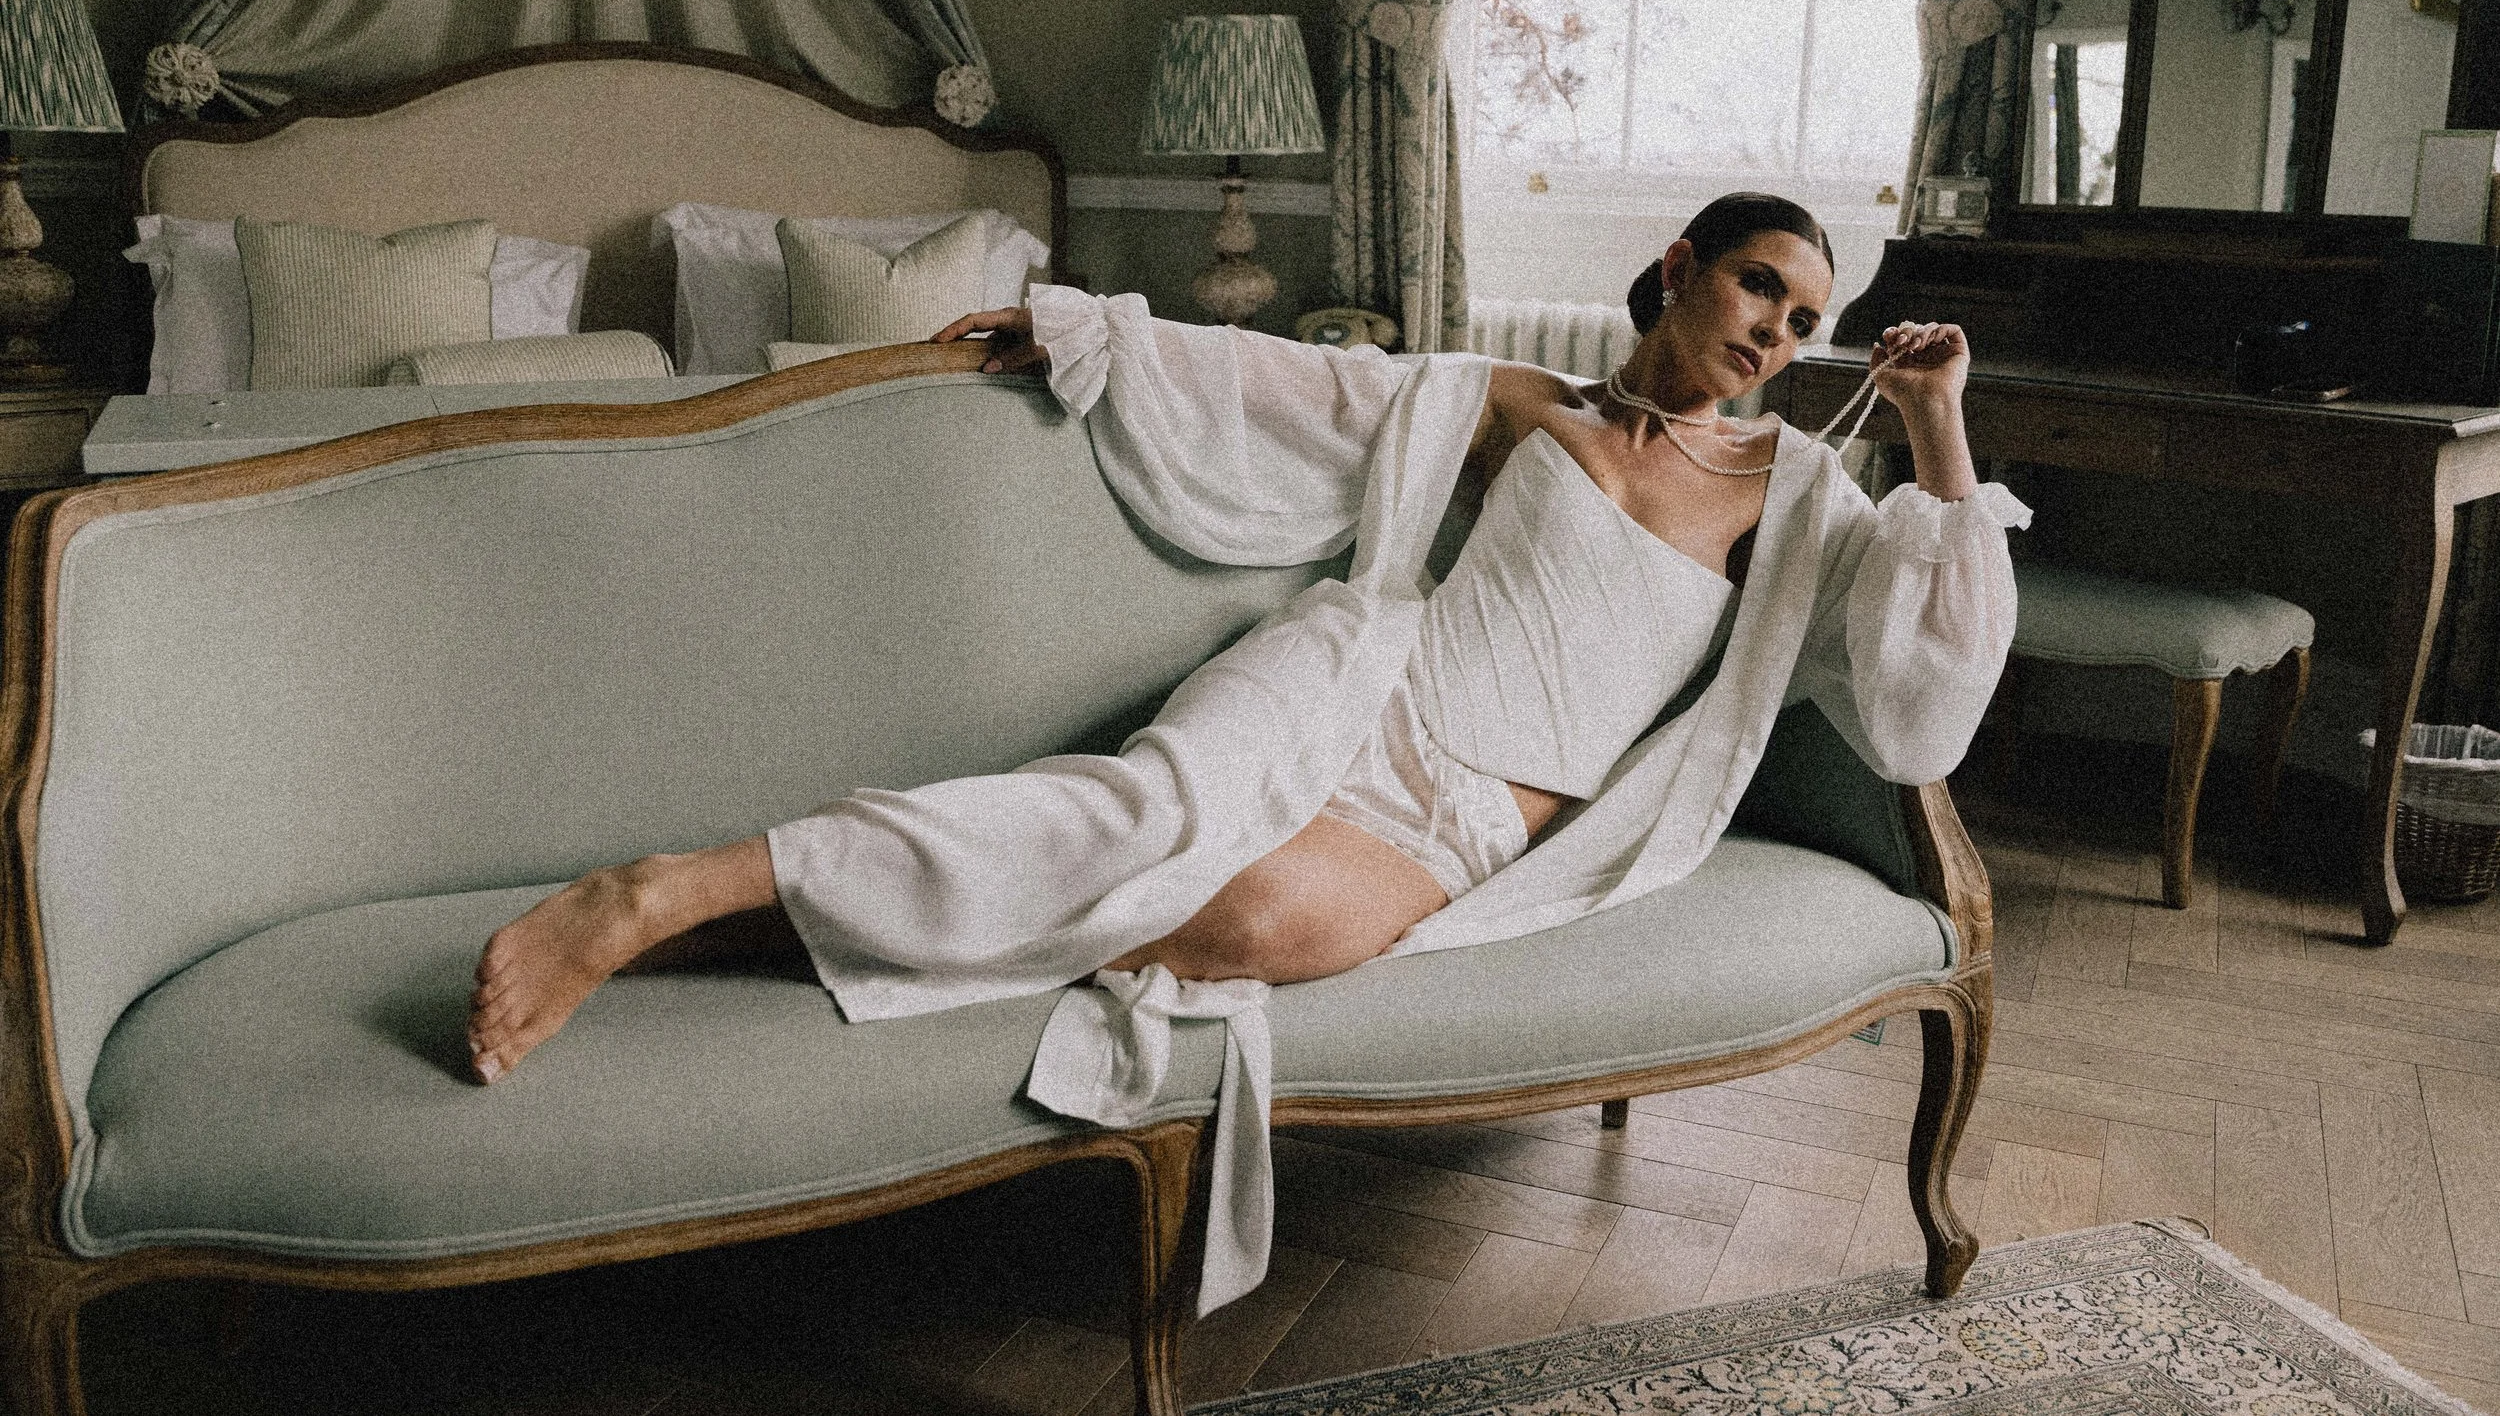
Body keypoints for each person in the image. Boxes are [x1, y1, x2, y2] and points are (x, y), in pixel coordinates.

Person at [466, 192, 2026, 1309]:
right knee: (1140, 819)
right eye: (1762, 286)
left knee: (1249, 926)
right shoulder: (1516, 402)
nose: (1778, 332)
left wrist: (1941, 426)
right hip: (1353, 683)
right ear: (1681, 267)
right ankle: (660, 894)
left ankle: (751, 919)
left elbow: (1920, 693)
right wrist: (1087, 332)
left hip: (1467, 811)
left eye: (1810, 319)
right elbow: (1300, 384)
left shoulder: (1798, 496)